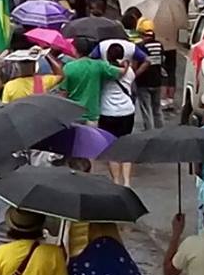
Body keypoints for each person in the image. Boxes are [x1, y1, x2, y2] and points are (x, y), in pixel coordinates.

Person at [59, 37, 126, 123]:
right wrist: (126, 64)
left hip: (73, 114)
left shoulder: (68, 67)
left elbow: (63, 92)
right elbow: (121, 72)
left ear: (75, 49)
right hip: (92, 114)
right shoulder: (98, 65)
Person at [98, 42, 136, 186]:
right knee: (125, 145)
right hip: (127, 110)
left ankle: (116, 181)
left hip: (107, 112)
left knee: (112, 148)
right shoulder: (130, 71)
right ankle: (127, 182)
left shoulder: (103, 71)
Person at [134, 18, 164, 130]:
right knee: (157, 109)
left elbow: (136, 63)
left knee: (146, 109)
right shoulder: (159, 45)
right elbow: (162, 60)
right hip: (157, 81)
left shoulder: (140, 46)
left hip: (144, 81)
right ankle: (160, 130)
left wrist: (134, 75)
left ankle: (149, 131)